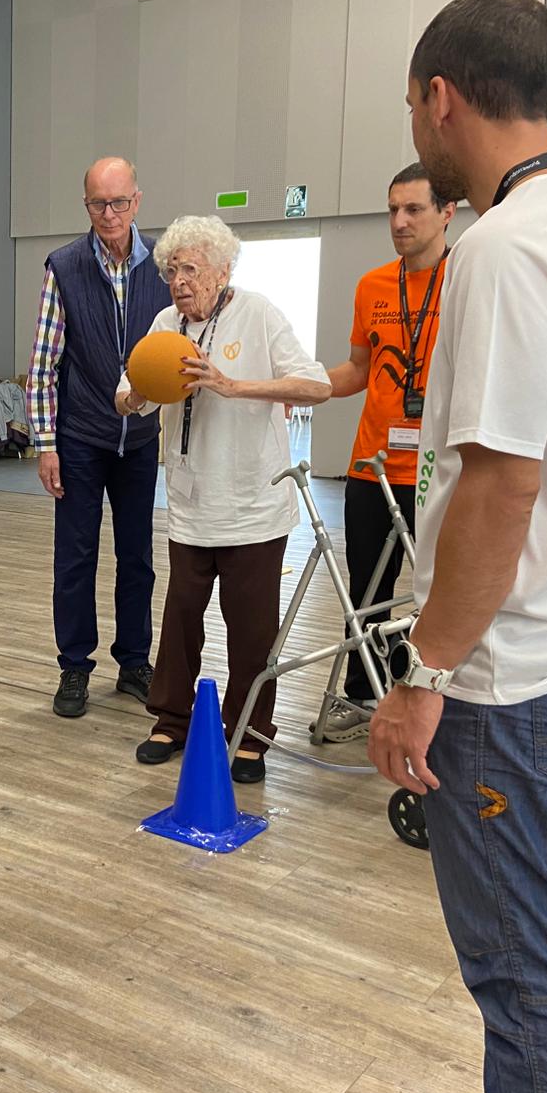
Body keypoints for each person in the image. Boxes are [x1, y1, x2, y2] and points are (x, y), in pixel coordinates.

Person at [367, 0, 547, 1093]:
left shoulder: (502, 248)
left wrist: (423, 674)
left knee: (527, 981)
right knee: (544, 956)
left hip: (506, 679)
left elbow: (499, 486)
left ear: (440, 100)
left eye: (409, 106)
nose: (413, 127)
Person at [115, 215, 330, 782]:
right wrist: (140, 391)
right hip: (190, 502)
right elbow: (125, 398)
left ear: (222, 271)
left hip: (254, 507)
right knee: (181, 619)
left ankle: (251, 734)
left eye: (191, 269)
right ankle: (169, 721)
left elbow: (316, 385)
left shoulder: (257, 314)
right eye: (171, 271)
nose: (179, 282)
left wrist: (232, 385)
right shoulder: (165, 323)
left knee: (252, 628)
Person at [319, 163, 456, 742]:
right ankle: (361, 694)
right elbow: (357, 369)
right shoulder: (373, 285)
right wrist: (291, 388)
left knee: (440, 594)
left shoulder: (470, 278)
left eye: (414, 210)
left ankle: (437, 701)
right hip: (370, 468)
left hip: (440, 472)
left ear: (448, 212)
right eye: (392, 210)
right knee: (367, 593)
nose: (399, 222)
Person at [28, 157, 168, 718]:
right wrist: (46, 444)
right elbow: (43, 364)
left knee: (137, 556)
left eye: (118, 203)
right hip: (80, 438)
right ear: (85, 205)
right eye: (96, 204)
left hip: (140, 440)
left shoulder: (164, 263)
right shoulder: (63, 266)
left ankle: (135, 662)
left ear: (137, 201)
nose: (108, 215)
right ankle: (74, 667)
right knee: (75, 557)